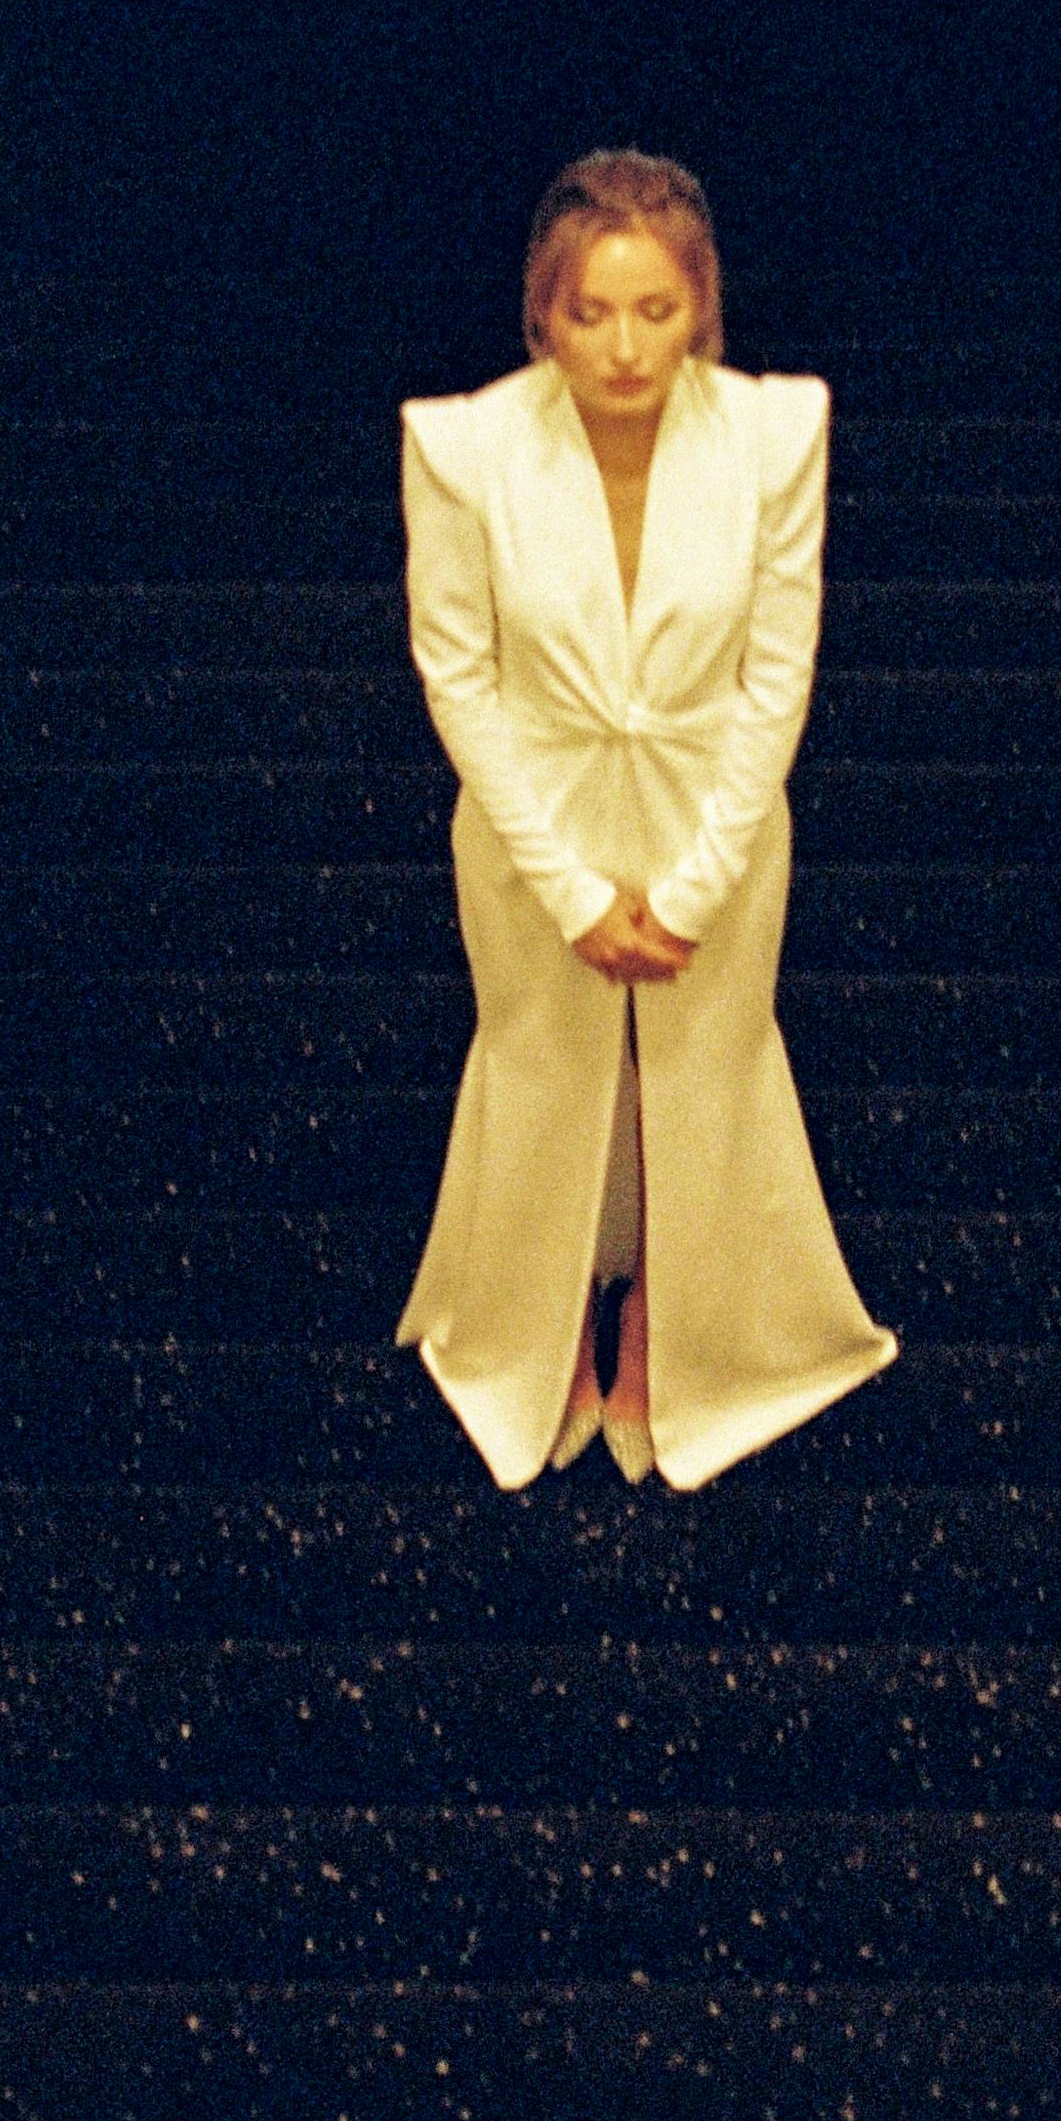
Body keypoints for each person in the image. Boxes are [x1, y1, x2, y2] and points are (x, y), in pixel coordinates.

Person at [396, 151, 897, 1492]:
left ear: (703, 311)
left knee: (704, 1076)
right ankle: (534, 1334)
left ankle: (683, 1344)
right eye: (592, 314)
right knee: (545, 1071)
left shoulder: (781, 433)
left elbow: (777, 672)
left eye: (656, 312)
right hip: (528, 836)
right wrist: (568, 891)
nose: (624, 348)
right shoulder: (461, 448)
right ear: (542, 316)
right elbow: (458, 672)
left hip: (716, 828)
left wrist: (695, 884)